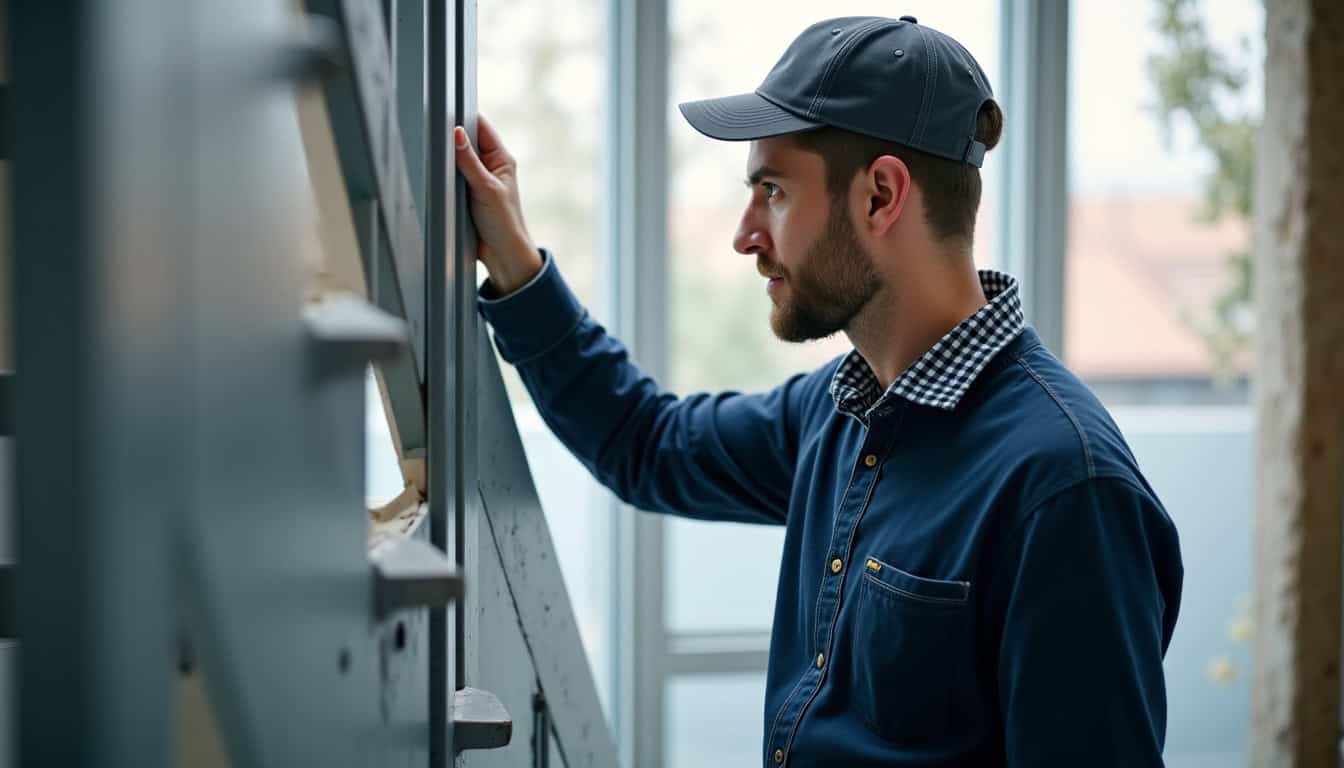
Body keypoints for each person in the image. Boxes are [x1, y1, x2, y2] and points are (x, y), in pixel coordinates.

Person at [454, 14, 1183, 768]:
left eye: (771, 190)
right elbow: (648, 444)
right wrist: (512, 261)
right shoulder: (835, 412)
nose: (743, 234)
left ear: (880, 196)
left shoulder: (1065, 488)